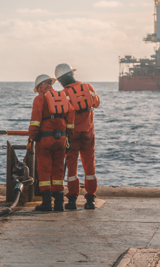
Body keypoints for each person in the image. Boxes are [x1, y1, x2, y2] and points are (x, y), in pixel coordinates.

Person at [56, 62, 100, 210]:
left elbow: (61, 115)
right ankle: (91, 199)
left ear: (61, 81)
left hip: (72, 135)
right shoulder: (88, 88)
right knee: (89, 166)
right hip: (88, 134)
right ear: (72, 74)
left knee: (72, 167)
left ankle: (73, 199)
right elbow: (97, 103)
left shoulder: (63, 94)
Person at [27, 74, 75, 212]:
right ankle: (59, 204)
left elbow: (35, 121)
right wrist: (69, 137)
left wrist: (31, 138)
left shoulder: (39, 99)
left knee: (44, 171)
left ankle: (47, 203)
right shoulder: (63, 97)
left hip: (45, 140)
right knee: (58, 170)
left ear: (40, 86)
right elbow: (71, 115)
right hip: (61, 140)